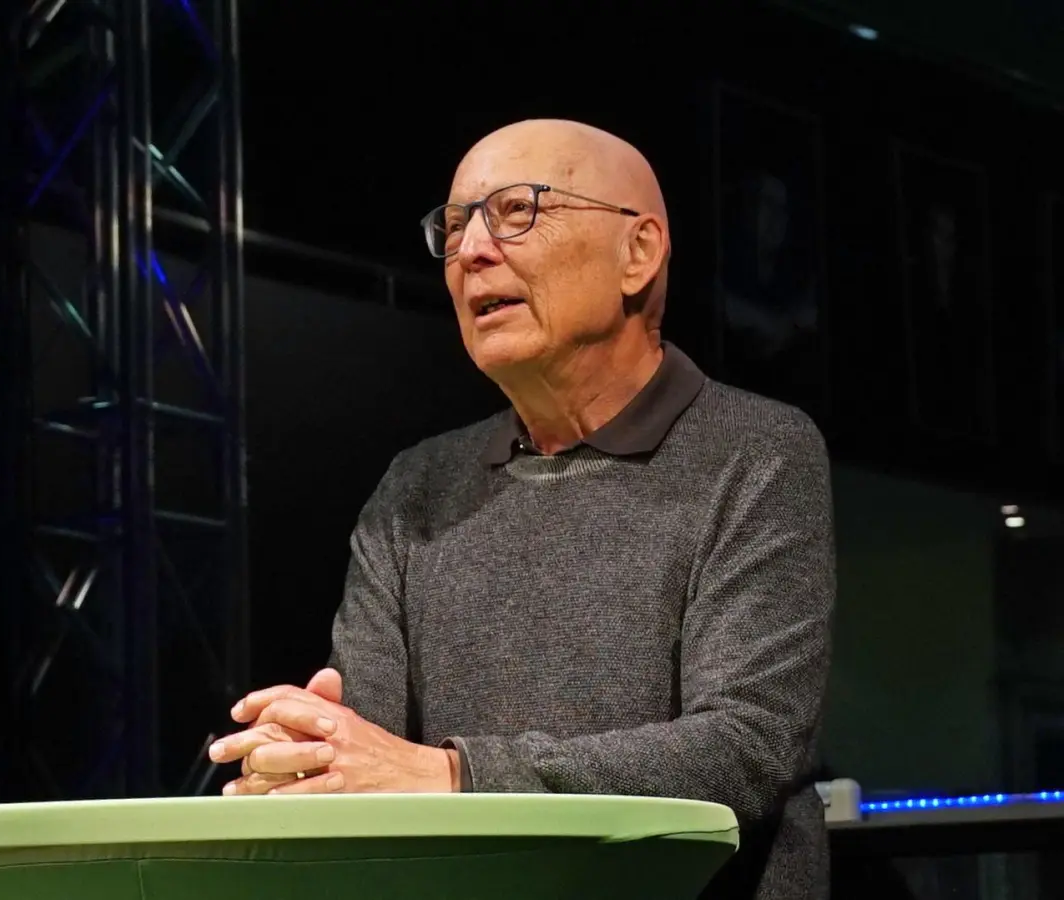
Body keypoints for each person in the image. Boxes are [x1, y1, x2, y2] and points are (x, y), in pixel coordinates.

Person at [208, 119, 834, 900]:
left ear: (637, 252)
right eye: (457, 225)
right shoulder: (416, 488)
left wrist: (457, 775)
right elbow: (372, 761)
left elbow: (744, 748)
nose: (472, 251)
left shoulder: (756, 451)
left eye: (516, 212)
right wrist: (307, 756)